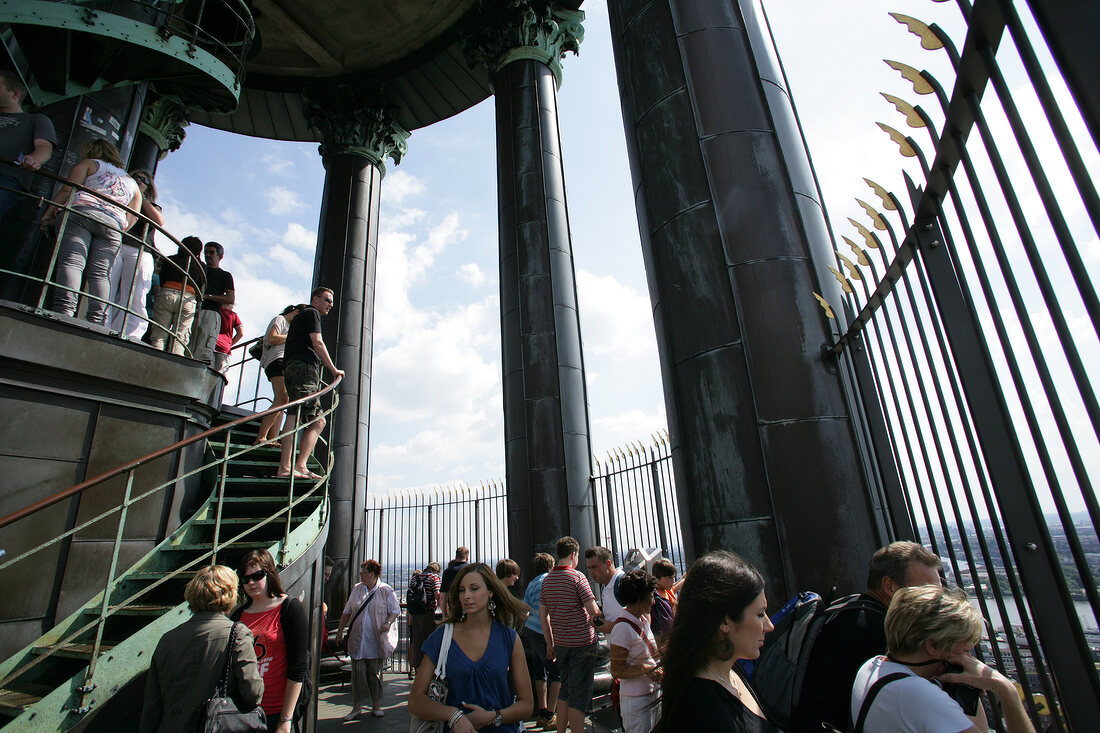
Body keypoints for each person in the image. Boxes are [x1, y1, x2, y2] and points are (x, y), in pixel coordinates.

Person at [792, 540, 943, 732]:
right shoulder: (879, 632)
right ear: (890, 586)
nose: (937, 601)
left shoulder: (853, 610)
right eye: (928, 591)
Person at [851, 585, 1034, 733]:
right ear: (933, 647)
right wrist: (1006, 689)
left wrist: (965, 687)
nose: (969, 658)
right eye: (965, 650)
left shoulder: (872, 666)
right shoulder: (921, 696)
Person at [655, 550, 779, 733]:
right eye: (760, 614)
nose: (769, 626)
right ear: (724, 621)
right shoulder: (700, 710)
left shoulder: (731, 671)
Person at [408, 563, 534, 733]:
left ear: (491, 592)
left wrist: (492, 717)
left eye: (474, 588)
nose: (467, 595)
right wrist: (454, 716)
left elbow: (526, 705)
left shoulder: (509, 639)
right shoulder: (442, 636)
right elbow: (415, 700)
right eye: (462, 590)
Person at [140, 565, 264, 733]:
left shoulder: (167, 639)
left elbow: (152, 705)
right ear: (230, 594)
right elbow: (252, 694)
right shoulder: (237, 634)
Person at [44, 138, 141, 325]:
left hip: (81, 213)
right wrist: (121, 227)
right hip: (113, 224)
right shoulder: (132, 183)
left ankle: (64, 311)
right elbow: (134, 215)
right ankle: (97, 320)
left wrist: (48, 213)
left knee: (72, 263)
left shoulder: (89, 164)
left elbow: (68, 189)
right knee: (100, 274)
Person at [232, 550, 308, 733]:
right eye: (245, 579)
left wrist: (286, 719)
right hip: (244, 712)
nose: (250, 582)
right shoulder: (237, 615)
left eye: (257, 576)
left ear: (269, 574)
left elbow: (298, 667)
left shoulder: (289, 609)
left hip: (276, 712)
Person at [277, 286, 344, 480]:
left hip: (293, 367)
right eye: (327, 300)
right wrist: (334, 370)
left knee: (295, 414)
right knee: (313, 420)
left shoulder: (302, 315)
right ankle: (291, 466)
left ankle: (294, 465)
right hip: (303, 369)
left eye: (332, 301)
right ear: (315, 299)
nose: (331, 305)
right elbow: (318, 343)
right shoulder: (312, 313)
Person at [0, 70, 56, 301]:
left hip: (5, 178)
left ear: (15, 93)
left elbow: (44, 147)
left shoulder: (36, 120)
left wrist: (36, 159)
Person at [540, 536, 601, 733]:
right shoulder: (577, 577)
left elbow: (543, 616)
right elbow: (593, 610)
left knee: (565, 690)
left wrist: (550, 644)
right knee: (579, 695)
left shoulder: (547, 581)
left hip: (561, 644)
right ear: (574, 554)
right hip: (583, 642)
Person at [336, 559, 400, 720]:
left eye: (363, 572)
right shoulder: (357, 589)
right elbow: (347, 611)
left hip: (375, 641)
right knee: (357, 673)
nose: (361, 575)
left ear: (371, 574)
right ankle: (357, 707)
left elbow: (395, 610)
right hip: (359, 639)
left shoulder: (386, 590)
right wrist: (340, 631)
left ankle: (375, 704)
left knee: (374, 673)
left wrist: (387, 623)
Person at [107, 168, 164, 340]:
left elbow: (158, 221)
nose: (138, 180)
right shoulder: (120, 199)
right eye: (135, 178)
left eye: (143, 180)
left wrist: (141, 197)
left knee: (134, 294)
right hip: (116, 245)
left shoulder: (152, 206)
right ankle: (103, 326)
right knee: (108, 290)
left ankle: (131, 335)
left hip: (139, 250)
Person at [608, 569, 662, 733]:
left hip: (653, 695)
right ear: (639, 598)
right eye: (651, 596)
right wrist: (647, 669)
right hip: (637, 702)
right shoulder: (622, 628)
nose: (653, 601)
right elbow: (616, 669)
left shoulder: (643, 621)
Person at [253, 304, 304, 445]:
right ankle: (261, 437)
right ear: (295, 312)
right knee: (282, 398)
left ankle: (273, 437)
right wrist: (291, 337)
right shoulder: (280, 319)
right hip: (276, 360)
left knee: (283, 400)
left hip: (282, 361)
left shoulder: (288, 325)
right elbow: (271, 338)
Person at [148, 235, 205, 353]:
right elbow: (202, 286)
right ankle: (174, 362)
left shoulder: (170, 260)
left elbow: (162, 278)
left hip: (167, 293)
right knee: (180, 338)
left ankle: (154, 358)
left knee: (159, 334)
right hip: (188, 298)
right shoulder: (201, 266)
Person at [523, 552, 561, 730]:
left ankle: (542, 710)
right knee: (556, 673)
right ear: (551, 566)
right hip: (545, 632)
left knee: (540, 671)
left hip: (531, 630)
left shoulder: (532, 583)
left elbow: (526, 608)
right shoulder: (551, 581)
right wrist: (551, 642)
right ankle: (550, 716)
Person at [191, 240, 234, 364]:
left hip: (210, 313)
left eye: (211, 252)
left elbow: (230, 298)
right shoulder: (199, 269)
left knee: (204, 349)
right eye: (206, 252)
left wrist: (208, 296)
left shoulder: (225, 275)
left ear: (220, 256)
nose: (208, 255)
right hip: (193, 309)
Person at [407, 561, 443, 678]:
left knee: (417, 643)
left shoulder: (416, 577)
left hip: (414, 614)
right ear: (437, 570)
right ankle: (429, 673)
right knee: (429, 642)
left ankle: (417, 671)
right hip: (427, 613)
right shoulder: (434, 577)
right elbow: (437, 594)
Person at [584, 546, 624, 630]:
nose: (591, 572)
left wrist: (613, 626)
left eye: (594, 567)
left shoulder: (622, 583)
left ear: (608, 564)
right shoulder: (605, 586)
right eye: (589, 568)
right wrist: (600, 619)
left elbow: (643, 619)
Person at [440, 546, 470, 615]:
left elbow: (442, 596)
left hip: (453, 607)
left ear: (456, 556)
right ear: (467, 557)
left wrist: (444, 615)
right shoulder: (470, 570)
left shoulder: (447, 572)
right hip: (469, 606)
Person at [214, 303, 244, 372]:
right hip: (225, 348)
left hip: (212, 343)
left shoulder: (215, 311)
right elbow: (240, 333)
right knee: (219, 375)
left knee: (206, 372)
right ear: (226, 304)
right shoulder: (233, 315)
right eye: (232, 305)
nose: (233, 307)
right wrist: (229, 344)